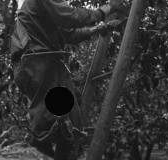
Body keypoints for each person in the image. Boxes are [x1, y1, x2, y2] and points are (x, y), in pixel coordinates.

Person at [10, 0, 123, 159]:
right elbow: (72, 16)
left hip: (31, 65)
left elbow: (68, 34)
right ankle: (41, 148)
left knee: (69, 107)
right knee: (46, 121)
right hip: (37, 63)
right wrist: (106, 9)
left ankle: (55, 150)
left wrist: (98, 29)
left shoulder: (44, 11)